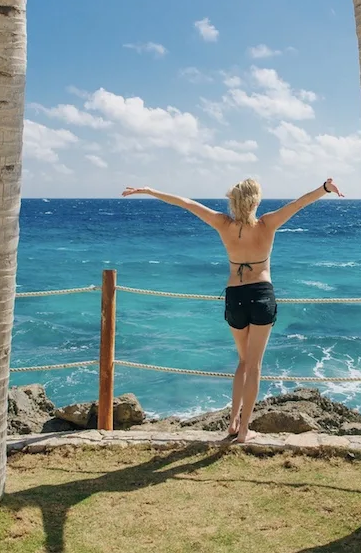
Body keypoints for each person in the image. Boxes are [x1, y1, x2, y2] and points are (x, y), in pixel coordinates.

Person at [122, 178, 344, 442]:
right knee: (255, 365)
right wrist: (325, 189)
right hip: (261, 294)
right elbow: (299, 204)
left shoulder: (222, 224)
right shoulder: (268, 223)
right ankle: (244, 430)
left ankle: (232, 423)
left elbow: (186, 204)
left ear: (234, 201)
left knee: (242, 362)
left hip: (235, 296)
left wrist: (149, 191)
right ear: (256, 201)